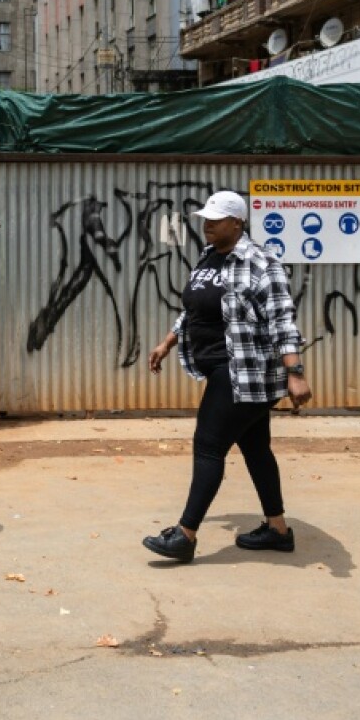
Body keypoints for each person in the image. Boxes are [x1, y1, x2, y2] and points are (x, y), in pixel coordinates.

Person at [143, 190, 311, 563]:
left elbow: (282, 320)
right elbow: (195, 308)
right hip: (223, 369)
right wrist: (168, 341)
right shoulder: (209, 256)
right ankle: (278, 530)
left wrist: (295, 372)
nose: (208, 224)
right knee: (256, 448)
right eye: (206, 218)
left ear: (237, 223)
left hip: (243, 372)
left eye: (216, 220)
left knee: (208, 446)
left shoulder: (261, 262)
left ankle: (184, 535)